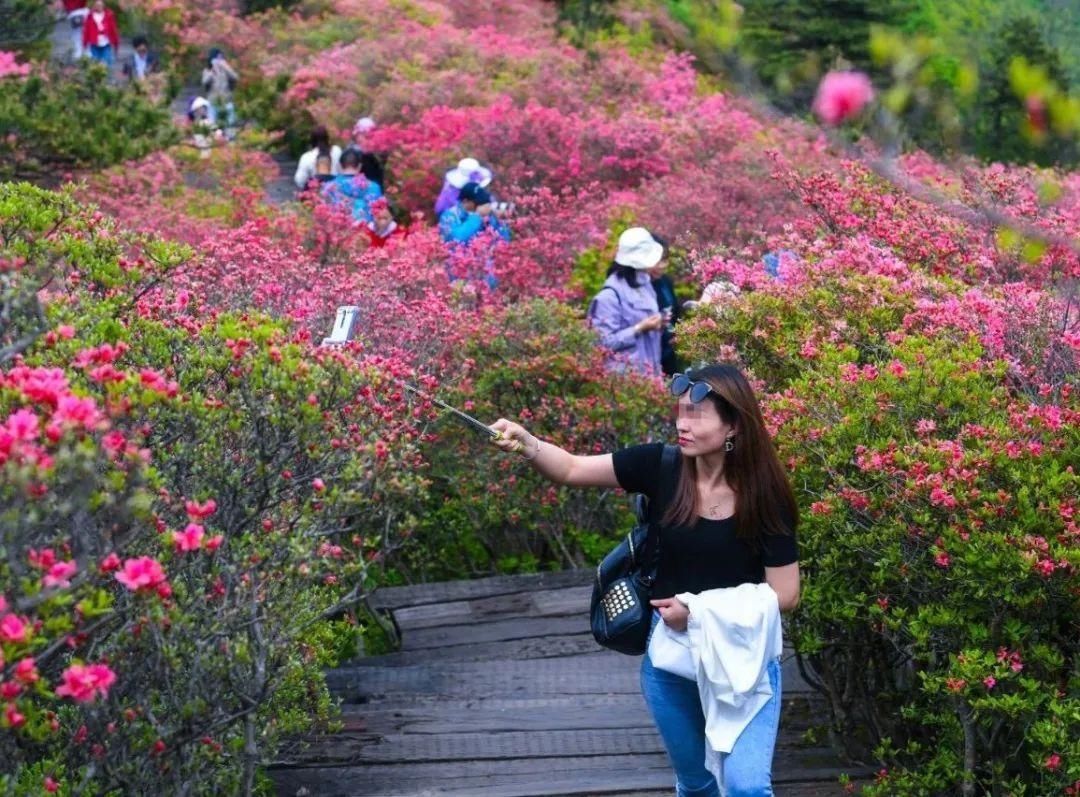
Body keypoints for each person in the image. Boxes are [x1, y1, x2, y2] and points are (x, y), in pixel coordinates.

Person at [489, 364, 800, 797]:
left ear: (734, 425)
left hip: (743, 658)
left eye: (696, 414)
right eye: (679, 412)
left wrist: (698, 610)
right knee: (697, 785)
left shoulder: (766, 495)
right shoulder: (662, 466)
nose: (681, 424)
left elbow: (784, 593)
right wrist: (529, 443)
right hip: (672, 659)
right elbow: (573, 469)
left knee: (747, 787)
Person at [587, 227, 666, 376]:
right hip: (623, 381)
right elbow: (602, 344)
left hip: (650, 376)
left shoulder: (646, 285)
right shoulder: (609, 297)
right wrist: (638, 328)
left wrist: (658, 324)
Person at [648, 233, 682, 376]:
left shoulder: (665, 282)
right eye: (660, 260)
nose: (664, 265)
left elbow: (675, 313)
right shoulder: (636, 289)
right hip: (647, 358)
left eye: (665, 260)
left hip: (668, 355)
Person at [321, 149, 382, 223]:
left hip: (338, 231)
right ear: (359, 166)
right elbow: (379, 217)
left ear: (339, 166)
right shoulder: (374, 187)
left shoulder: (328, 188)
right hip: (365, 232)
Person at [201, 48, 238, 131]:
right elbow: (204, 82)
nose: (219, 61)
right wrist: (213, 70)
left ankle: (230, 140)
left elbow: (235, 77)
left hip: (226, 101)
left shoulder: (226, 70)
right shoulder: (207, 70)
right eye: (217, 58)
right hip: (213, 102)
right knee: (212, 126)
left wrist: (226, 66)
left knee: (230, 125)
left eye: (221, 58)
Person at [295, 126, 342, 190]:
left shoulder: (307, 157)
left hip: (315, 193)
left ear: (311, 140)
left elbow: (300, 180)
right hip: (336, 191)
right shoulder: (337, 151)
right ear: (327, 138)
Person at [82, 0, 119, 69]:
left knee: (106, 62)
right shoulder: (90, 16)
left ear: (103, 5)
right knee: (95, 62)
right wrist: (84, 44)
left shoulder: (109, 15)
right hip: (94, 42)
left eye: (100, 5)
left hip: (106, 42)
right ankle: (97, 78)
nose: (99, 7)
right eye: (97, 5)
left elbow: (113, 30)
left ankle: (107, 77)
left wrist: (116, 44)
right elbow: (86, 31)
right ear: (94, 6)